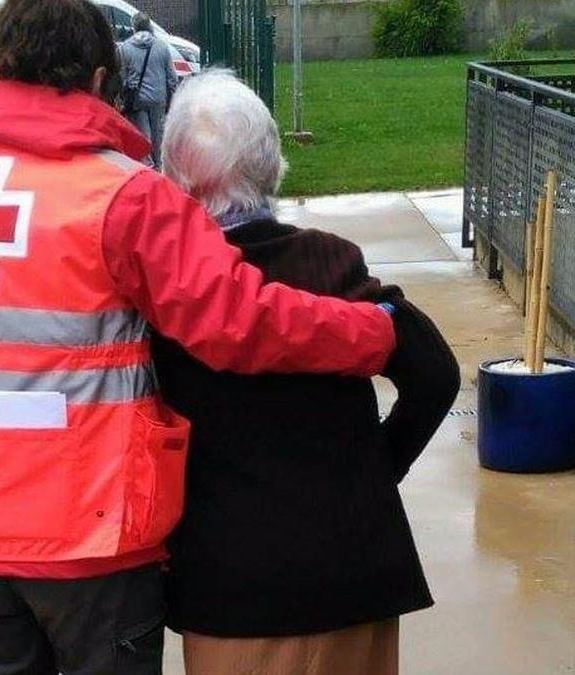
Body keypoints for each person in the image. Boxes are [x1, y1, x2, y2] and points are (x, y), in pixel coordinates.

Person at [0, 1, 399, 673]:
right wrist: (370, 334)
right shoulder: (125, 197)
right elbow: (238, 320)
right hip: (85, 534)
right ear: (102, 78)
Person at [156, 70, 460, 675]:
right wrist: (374, 470)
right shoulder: (333, 262)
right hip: (356, 570)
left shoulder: (170, 291)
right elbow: (434, 374)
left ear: (177, 182)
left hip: (238, 593)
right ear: (272, 168)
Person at [118, 12, 177, 168]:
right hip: (159, 98)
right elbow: (172, 78)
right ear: (149, 26)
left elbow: (122, 77)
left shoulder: (126, 47)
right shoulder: (162, 47)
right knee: (159, 137)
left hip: (138, 100)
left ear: (134, 27)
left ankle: (149, 168)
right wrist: (171, 98)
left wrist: (123, 96)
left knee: (145, 138)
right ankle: (160, 166)